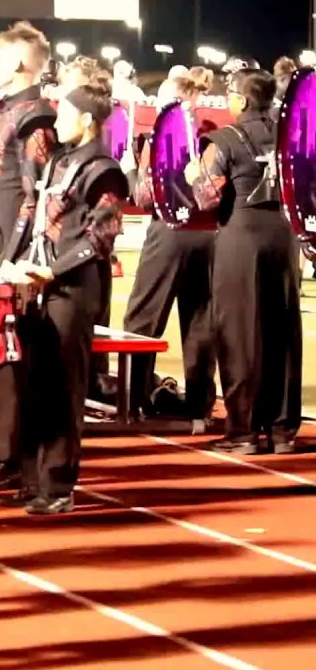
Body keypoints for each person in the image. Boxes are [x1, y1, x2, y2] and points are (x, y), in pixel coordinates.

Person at [0, 79, 128, 514]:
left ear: (87, 120)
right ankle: (31, 476)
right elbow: (34, 217)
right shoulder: (59, 161)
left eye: (66, 114)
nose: (57, 122)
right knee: (32, 382)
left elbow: (101, 237)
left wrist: (52, 271)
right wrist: (11, 262)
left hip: (72, 288)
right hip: (38, 283)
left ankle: (57, 485)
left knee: (63, 387)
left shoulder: (105, 171)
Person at [188, 69, 302, 454]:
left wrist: (193, 175)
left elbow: (206, 197)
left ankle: (243, 431)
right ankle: (283, 430)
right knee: (282, 331)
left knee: (239, 333)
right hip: (283, 238)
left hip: (241, 239)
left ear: (240, 99)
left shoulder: (224, 139)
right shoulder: (290, 136)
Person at [0, 21, 57, 494]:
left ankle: (12, 456)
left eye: (1, 57)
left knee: (13, 358)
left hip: (12, 250)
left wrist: (13, 254)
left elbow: (35, 193)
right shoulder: (5, 108)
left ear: (19, 61)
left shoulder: (35, 115)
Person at [122, 73, 218, 422]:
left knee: (142, 317)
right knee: (200, 321)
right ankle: (199, 404)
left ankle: (134, 397)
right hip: (209, 235)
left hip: (169, 232)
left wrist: (130, 171)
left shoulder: (160, 137)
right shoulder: (213, 137)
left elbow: (145, 197)